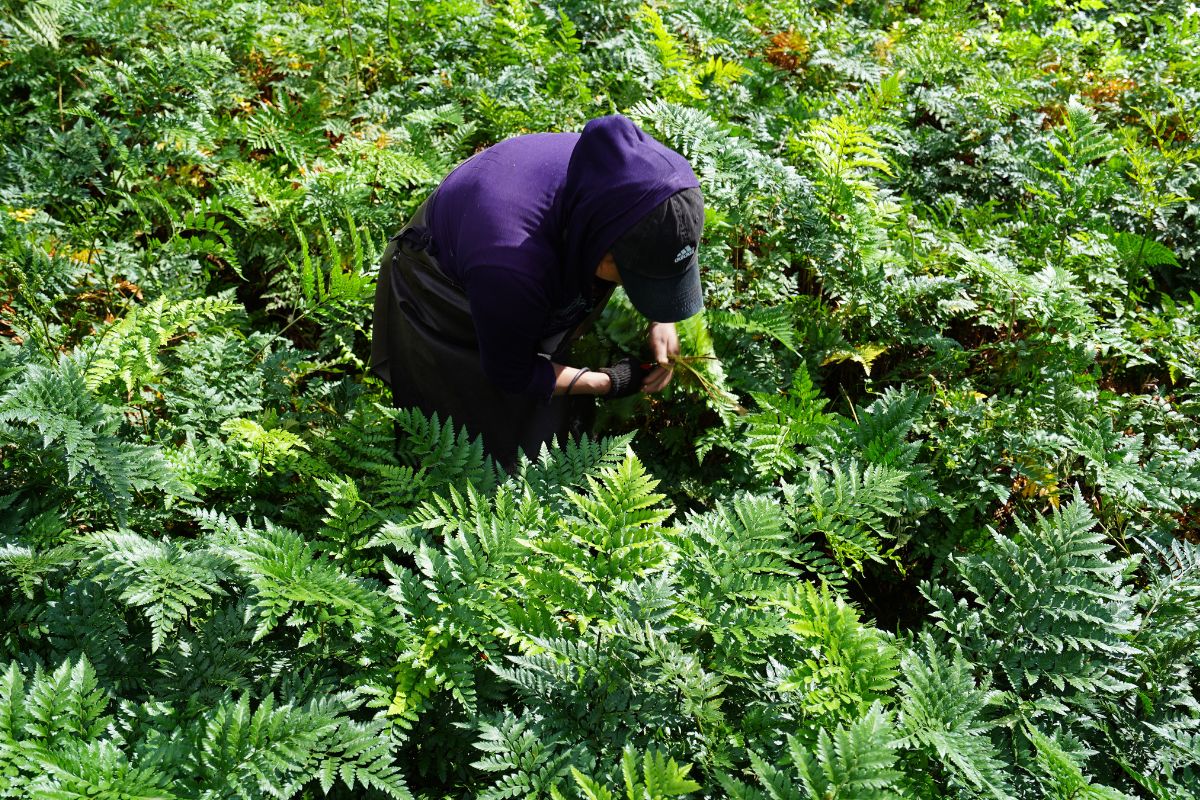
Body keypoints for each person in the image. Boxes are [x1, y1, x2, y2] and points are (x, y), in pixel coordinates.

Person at [370, 114, 704, 468]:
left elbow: (664, 237)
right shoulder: (510, 263)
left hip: (504, 252)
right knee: (470, 441)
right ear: (602, 251)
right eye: (635, 279)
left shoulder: (633, 180)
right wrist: (606, 383)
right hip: (441, 285)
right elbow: (510, 372)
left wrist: (661, 316)